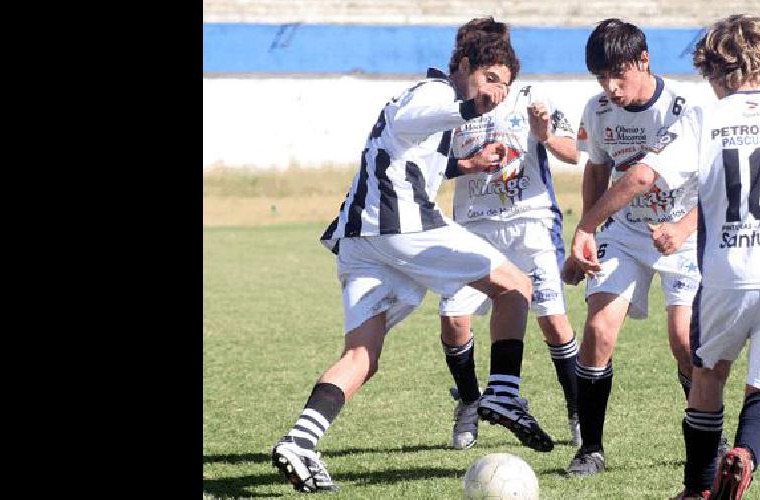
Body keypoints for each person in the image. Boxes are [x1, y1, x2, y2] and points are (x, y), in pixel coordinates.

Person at [568, 14, 760, 499]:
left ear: (713, 70)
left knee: (706, 371)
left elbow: (646, 177)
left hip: (725, 265)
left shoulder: (704, 115)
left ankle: (698, 486)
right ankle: (743, 454)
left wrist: (585, 225)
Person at [269, 18, 555, 494]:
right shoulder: (435, 95)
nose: (498, 93)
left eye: (505, 86)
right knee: (516, 287)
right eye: (491, 79)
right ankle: (504, 394)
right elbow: (414, 120)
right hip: (403, 226)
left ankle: (300, 442)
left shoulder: (433, 103)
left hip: (361, 240)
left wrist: (468, 163)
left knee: (362, 354)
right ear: (464, 66)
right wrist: (471, 105)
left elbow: (410, 151)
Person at [560, 18, 715, 477]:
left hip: (682, 235)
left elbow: (716, 184)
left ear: (643, 61)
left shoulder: (687, 109)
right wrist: (588, 235)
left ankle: (708, 435)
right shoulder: (599, 110)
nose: (609, 87)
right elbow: (596, 170)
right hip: (625, 234)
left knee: (684, 340)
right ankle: (590, 449)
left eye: (617, 75)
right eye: (600, 78)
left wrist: (685, 229)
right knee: (598, 332)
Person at [437, 19, 583, 451]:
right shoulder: (454, 107)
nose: (500, 81)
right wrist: (469, 163)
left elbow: (574, 152)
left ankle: (578, 414)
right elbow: (430, 166)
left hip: (531, 223)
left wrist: (544, 135)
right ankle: (470, 401)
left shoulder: (530, 98)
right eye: (492, 69)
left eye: (505, 70)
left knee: (554, 324)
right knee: (453, 320)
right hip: (474, 227)